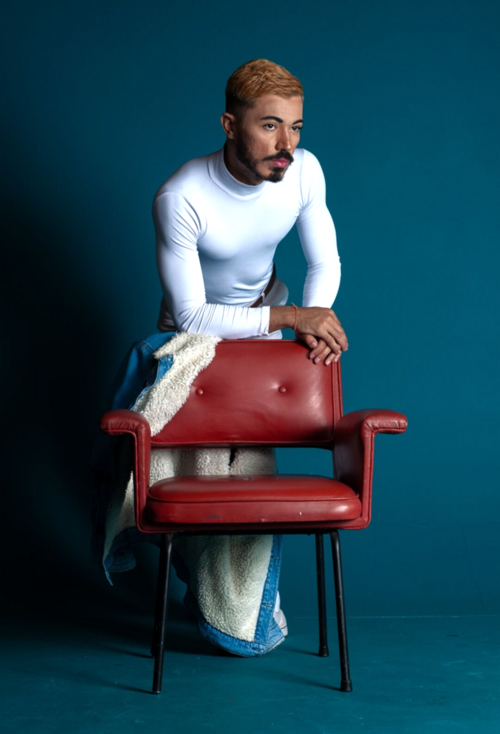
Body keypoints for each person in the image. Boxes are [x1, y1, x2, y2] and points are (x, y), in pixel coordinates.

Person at [153, 58, 348, 367]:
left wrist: (314, 320)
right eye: (270, 126)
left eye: (295, 128)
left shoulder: (305, 171)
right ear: (230, 126)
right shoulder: (182, 197)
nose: (286, 144)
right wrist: (296, 317)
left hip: (265, 321)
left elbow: (324, 263)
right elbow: (191, 317)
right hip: (193, 337)